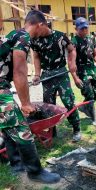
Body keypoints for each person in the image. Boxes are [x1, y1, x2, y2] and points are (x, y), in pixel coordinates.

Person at [0, 10, 60, 183]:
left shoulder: (12, 34)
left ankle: (16, 165)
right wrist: (25, 103)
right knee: (22, 129)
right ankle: (35, 172)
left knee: (8, 126)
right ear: (40, 24)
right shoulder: (24, 37)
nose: (45, 32)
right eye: (45, 27)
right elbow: (20, 70)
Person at [31, 18, 81, 142]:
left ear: (42, 25)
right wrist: (37, 74)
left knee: (68, 102)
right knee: (49, 106)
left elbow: (72, 50)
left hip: (61, 73)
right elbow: (36, 57)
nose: (34, 32)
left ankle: (76, 129)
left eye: (35, 28)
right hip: (47, 76)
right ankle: (52, 132)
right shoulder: (35, 40)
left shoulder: (60, 36)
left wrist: (72, 64)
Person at [71, 17, 96, 126]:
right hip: (81, 71)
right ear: (76, 29)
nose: (84, 30)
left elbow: (95, 54)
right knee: (89, 94)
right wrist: (75, 77)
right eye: (82, 29)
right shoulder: (74, 42)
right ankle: (94, 118)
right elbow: (71, 61)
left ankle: (84, 106)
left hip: (92, 70)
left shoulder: (91, 39)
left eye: (86, 28)